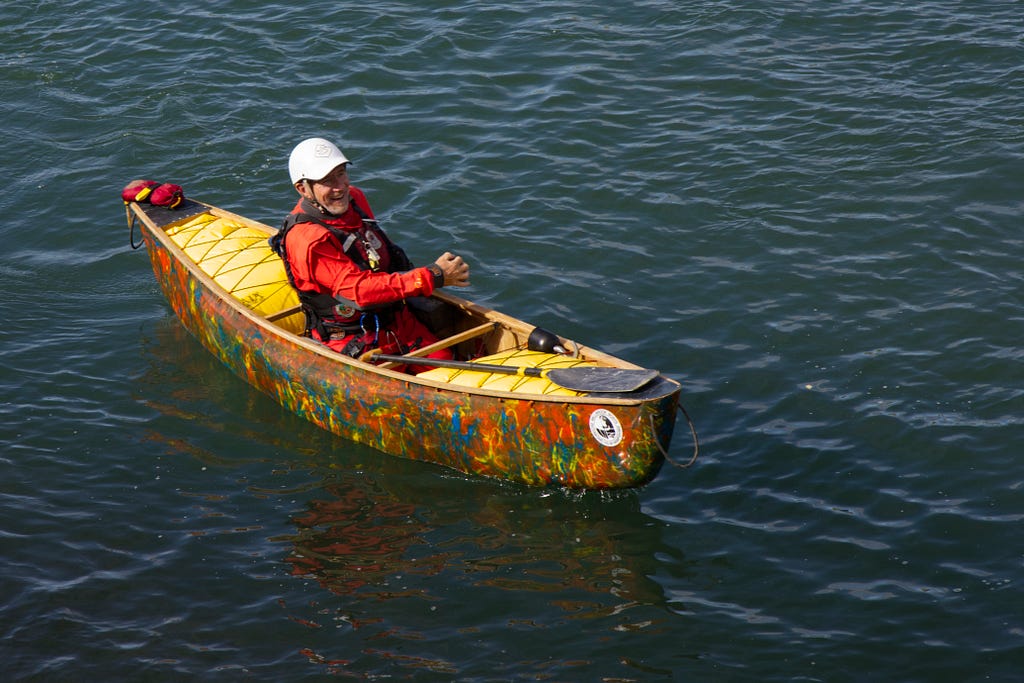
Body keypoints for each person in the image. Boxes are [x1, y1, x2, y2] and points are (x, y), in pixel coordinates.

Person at [270, 137, 470, 369]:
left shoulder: (354, 198)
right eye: (327, 180)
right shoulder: (309, 240)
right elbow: (358, 292)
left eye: (341, 173)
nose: (340, 186)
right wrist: (431, 276)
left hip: (399, 322)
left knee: (450, 367)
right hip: (354, 340)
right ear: (303, 189)